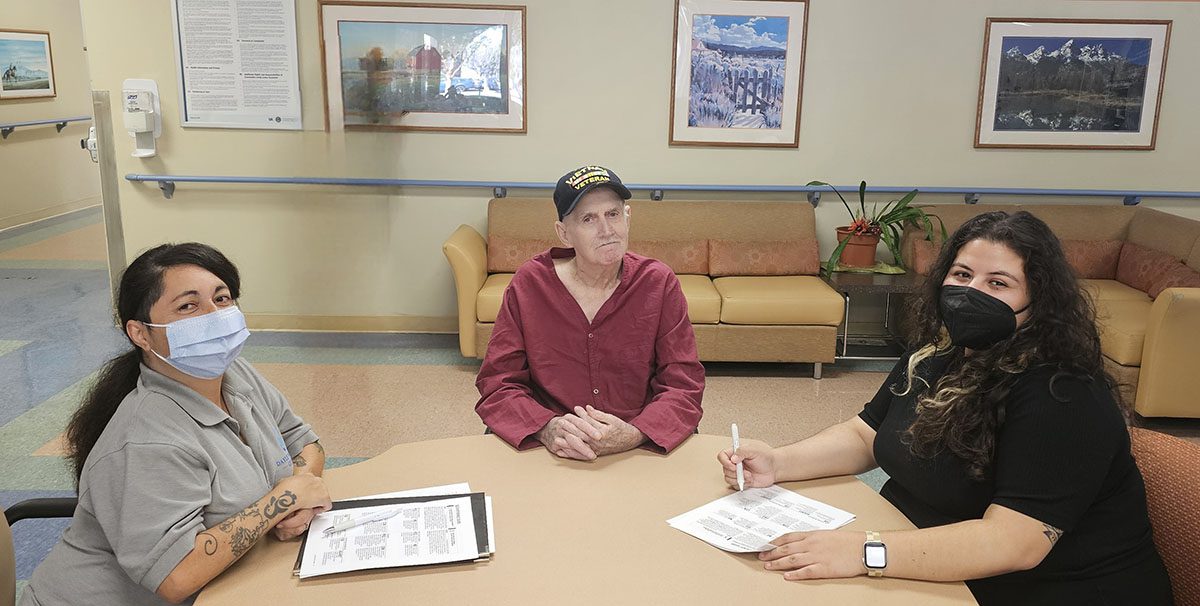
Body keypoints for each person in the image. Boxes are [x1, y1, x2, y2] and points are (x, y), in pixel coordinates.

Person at [718, 211, 1172, 605]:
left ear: (1039, 303)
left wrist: (862, 552)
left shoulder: (1064, 392)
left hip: (1048, 592)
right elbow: (866, 435)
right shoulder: (940, 353)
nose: (971, 293)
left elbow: (1013, 544)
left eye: (998, 283)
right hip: (936, 571)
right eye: (961, 275)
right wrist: (778, 463)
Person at [22, 243, 332, 606]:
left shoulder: (235, 376)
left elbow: (303, 441)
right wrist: (282, 500)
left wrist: (299, 494)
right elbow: (176, 576)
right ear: (140, 333)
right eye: (188, 306)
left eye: (222, 298)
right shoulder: (146, 440)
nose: (214, 316)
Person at [476, 165, 704, 460]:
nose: (607, 230)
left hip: (638, 443)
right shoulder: (530, 285)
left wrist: (635, 433)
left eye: (613, 214)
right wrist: (547, 428)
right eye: (588, 219)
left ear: (628, 217)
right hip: (552, 445)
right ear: (564, 233)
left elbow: (683, 384)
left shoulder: (658, 283)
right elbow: (498, 382)